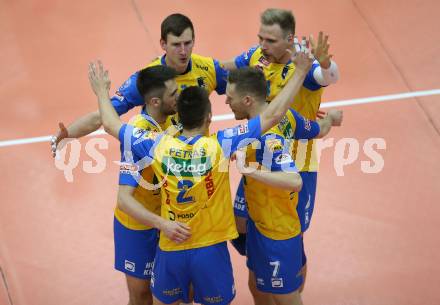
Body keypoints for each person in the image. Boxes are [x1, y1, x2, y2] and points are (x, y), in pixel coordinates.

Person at [87, 44, 313, 305]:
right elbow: (273, 114)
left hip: (171, 247)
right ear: (209, 117)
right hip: (210, 250)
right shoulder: (220, 144)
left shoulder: (158, 144)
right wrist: (300, 73)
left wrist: (102, 92)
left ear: (179, 118)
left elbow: (111, 123)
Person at [50, 13, 227, 305]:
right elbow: (105, 118)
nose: (184, 50)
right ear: (163, 44)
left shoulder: (206, 70)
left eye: (188, 43)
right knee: (142, 294)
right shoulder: (141, 111)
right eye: (176, 44)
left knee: (184, 291)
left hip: (179, 210)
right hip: (144, 222)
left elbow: (241, 80)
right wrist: (67, 133)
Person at [222, 8, 340, 293]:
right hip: (260, 157)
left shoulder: (304, 65)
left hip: (298, 161)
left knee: (291, 234)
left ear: (290, 39)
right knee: (240, 225)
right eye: (260, 37)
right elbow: (226, 67)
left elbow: (327, 76)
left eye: (271, 40)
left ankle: (291, 285)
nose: (263, 45)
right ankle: (267, 268)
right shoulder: (257, 56)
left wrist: (325, 63)